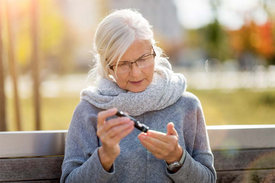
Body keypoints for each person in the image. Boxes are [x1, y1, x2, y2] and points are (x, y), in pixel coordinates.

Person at [61, 9, 216, 183]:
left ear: (154, 52)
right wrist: (103, 158)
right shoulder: (89, 111)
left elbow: (208, 180)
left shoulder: (187, 105)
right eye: (123, 64)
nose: (135, 73)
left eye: (143, 59)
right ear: (107, 66)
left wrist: (177, 158)